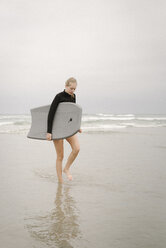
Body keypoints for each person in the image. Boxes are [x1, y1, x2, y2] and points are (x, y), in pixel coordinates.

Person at [46, 77, 82, 183]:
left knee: (77, 149)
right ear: (66, 86)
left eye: (75, 89)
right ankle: (60, 181)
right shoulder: (59, 96)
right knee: (60, 156)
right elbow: (51, 113)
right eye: (71, 88)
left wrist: (76, 126)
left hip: (68, 128)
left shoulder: (73, 96)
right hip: (57, 129)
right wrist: (49, 131)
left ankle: (66, 168)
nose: (73, 91)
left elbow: (73, 114)